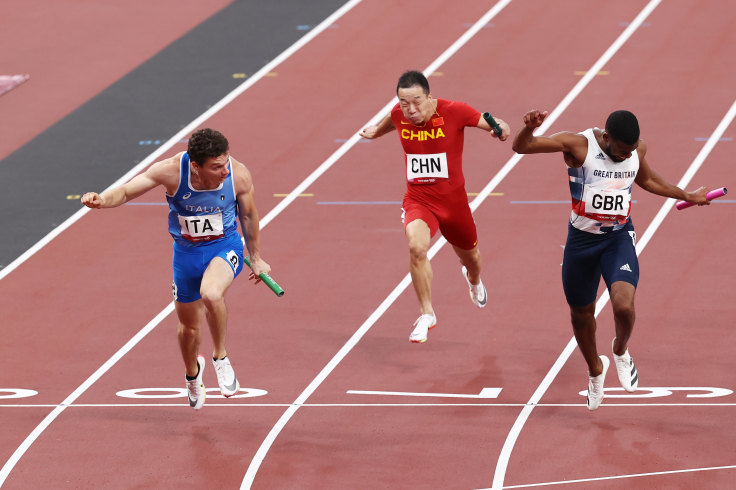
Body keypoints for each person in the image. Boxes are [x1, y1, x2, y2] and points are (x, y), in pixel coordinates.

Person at [512, 109, 709, 410]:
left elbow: (648, 180)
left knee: (624, 306)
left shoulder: (636, 148)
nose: (625, 156)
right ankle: (595, 371)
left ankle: (620, 349)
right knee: (581, 315)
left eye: (630, 152)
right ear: (606, 138)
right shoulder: (578, 145)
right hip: (581, 242)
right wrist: (528, 129)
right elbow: (522, 147)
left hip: (617, 238)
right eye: (620, 152)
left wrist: (687, 195)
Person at [81, 128, 271, 410]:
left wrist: (255, 257)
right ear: (196, 165)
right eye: (216, 167)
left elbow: (249, 214)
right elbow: (124, 191)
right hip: (186, 254)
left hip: (225, 246)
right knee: (189, 329)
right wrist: (101, 200)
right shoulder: (171, 171)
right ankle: (193, 374)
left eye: (225, 162)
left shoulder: (239, 174)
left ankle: (220, 356)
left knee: (211, 293)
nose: (224, 171)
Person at [360, 70, 511, 343]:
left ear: (429, 97)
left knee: (472, 260)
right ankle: (427, 313)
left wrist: (500, 130)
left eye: (417, 102)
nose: (411, 109)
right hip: (419, 200)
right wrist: (375, 132)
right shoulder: (399, 114)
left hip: (454, 204)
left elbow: (493, 124)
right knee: (416, 247)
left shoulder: (455, 111)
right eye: (404, 103)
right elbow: (391, 120)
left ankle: (473, 280)